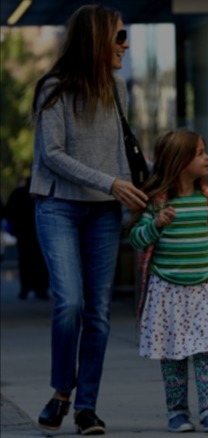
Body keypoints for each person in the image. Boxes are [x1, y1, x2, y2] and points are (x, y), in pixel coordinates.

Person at [30, 5, 148, 435]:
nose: (126, 45)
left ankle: (85, 407)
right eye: (119, 37)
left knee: (97, 312)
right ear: (96, 39)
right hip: (58, 204)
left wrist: (136, 192)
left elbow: (120, 147)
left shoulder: (117, 86)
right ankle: (62, 389)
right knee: (71, 303)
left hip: (103, 210)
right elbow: (52, 155)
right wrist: (111, 182)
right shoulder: (54, 89)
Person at [129, 129, 208, 433]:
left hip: (204, 288)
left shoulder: (206, 197)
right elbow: (136, 239)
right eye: (200, 153)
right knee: (173, 356)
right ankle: (177, 412)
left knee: (206, 353)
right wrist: (156, 224)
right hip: (167, 289)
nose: (207, 157)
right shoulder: (158, 202)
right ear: (179, 160)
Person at [5, 177, 50, 300]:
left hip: (27, 234)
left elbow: (8, 211)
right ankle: (37, 289)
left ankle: (31, 289)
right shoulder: (26, 194)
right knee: (37, 262)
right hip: (30, 233)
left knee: (28, 262)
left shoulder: (20, 194)